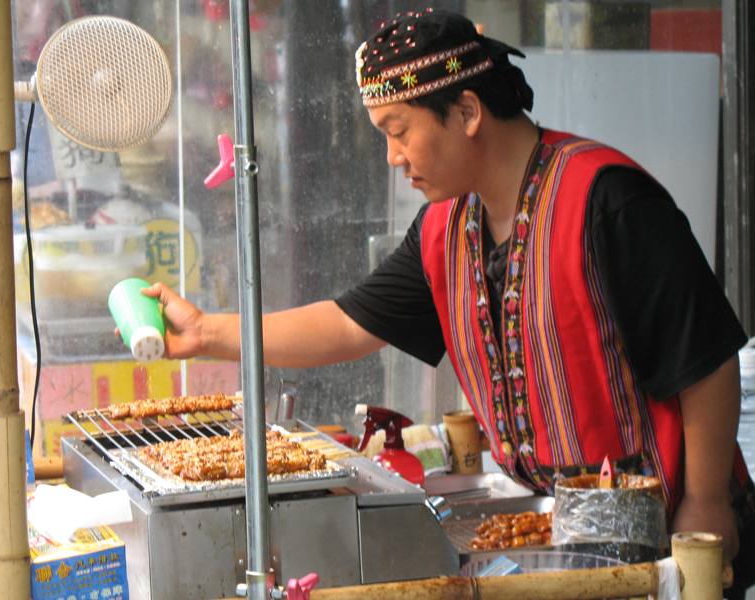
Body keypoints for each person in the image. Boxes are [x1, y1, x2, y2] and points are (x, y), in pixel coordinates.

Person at [140, 9, 754, 596]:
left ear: (465, 110)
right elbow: (351, 322)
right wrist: (207, 334)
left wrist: (706, 501)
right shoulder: (446, 228)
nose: (393, 157)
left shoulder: (607, 201)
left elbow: (704, 361)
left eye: (399, 132)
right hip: (568, 540)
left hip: (673, 533)